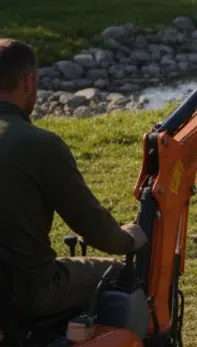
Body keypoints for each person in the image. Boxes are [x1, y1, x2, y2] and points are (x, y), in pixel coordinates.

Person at [0, 38, 146, 317]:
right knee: (120, 276)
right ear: (29, 82)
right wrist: (129, 240)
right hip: (28, 292)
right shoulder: (39, 144)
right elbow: (89, 223)